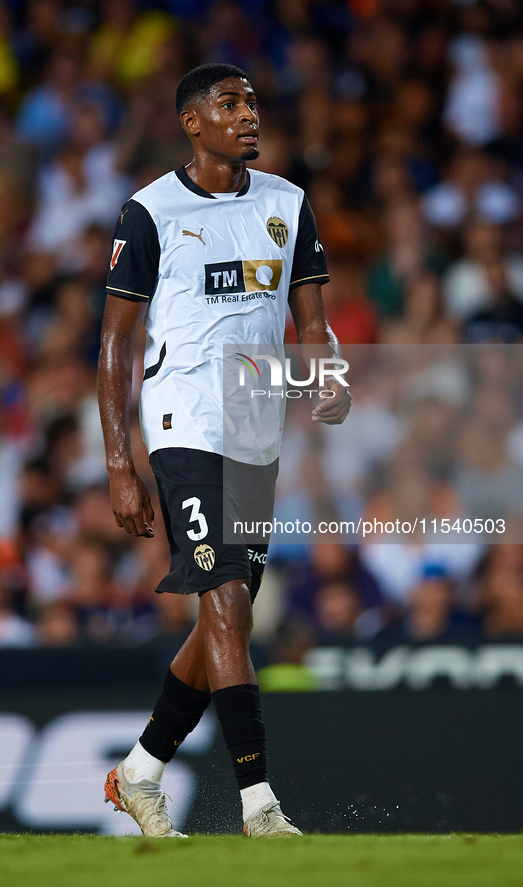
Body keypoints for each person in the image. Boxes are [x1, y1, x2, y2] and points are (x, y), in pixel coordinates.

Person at [97, 63, 351, 838]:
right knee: (228, 605)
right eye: (228, 103)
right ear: (191, 123)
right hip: (181, 422)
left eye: (251, 102)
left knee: (221, 623)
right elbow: (114, 342)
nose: (247, 115)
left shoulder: (286, 202)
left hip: (253, 426)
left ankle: (138, 770)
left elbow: (309, 320)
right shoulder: (149, 212)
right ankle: (258, 805)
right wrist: (119, 460)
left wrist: (328, 375)